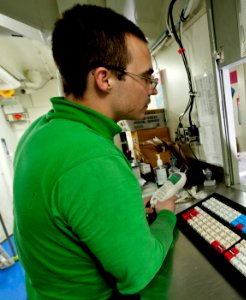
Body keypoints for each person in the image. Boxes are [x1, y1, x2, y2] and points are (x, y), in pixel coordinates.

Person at [13, 4, 176, 299]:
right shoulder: (93, 158)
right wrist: (166, 216)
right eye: (146, 78)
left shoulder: (39, 131)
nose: (152, 90)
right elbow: (140, 272)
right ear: (105, 78)